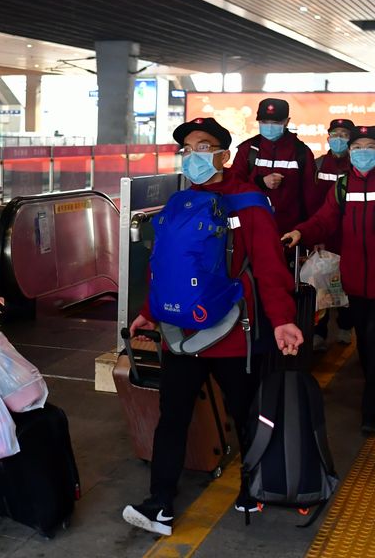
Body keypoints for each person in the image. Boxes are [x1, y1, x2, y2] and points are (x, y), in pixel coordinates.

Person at [122, 117, 303, 537]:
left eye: (203, 147)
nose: (193, 156)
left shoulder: (249, 202)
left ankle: (253, 488)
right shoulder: (179, 202)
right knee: (172, 417)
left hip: (234, 335)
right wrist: (149, 311)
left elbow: (269, 266)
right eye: (187, 149)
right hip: (181, 334)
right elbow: (163, 265)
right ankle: (159, 504)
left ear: (224, 154)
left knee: (246, 415)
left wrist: (282, 320)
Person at [282, 125, 375, 436]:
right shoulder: (343, 186)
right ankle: (374, 385)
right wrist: (300, 232)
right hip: (355, 285)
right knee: (365, 340)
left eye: (370, 146)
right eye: (357, 146)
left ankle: (372, 411)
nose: (363, 152)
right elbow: (324, 220)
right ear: (350, 151)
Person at [229, 98, 317, 235]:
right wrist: (260, 182)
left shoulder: (301, 152)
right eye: (264, 122)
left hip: (290, 232)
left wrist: (309, 233)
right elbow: (234, 185)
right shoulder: (248, 149)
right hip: (252, 228)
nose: (269, 126)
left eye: (275, 122)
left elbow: (311, 196)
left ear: (287, 121)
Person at [309, 118, 356, 350]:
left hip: (350, 237)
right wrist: (315, 236)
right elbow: (311, 202)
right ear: (328, 138)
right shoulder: (317, 165)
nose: (338, 139)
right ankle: (319, 331)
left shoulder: (356, 166)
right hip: (324, 237)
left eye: (344, 135)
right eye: (335, 134)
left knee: (349, 283)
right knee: (322, 284)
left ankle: (346, 327)